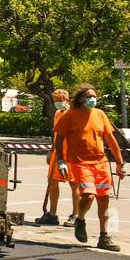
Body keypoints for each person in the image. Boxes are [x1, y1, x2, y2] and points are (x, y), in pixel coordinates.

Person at [53, 84, 126, 251]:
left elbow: (110, 139)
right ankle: (80, 219)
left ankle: (104, 236)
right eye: (88, 96)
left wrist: (120, 163)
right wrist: (61, 160)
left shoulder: (100, 114)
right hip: (80, 162)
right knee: (89, 194)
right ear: (80, 99)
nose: (92, 99)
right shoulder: (70, 115)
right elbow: (59, 138)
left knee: (104, 199)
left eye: (94, 95)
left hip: (101, 163)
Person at [35, 89, 79, 226]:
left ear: (67, 100)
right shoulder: (57, 114)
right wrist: (51, 150)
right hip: (57, 153)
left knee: (74, 183)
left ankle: (76, 215)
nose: (59, 103)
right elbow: (56, 135)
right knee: (52, 182)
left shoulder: (72, 113)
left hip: (71, 153)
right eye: (56, 101)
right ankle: (53, 214)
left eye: (61, 100)